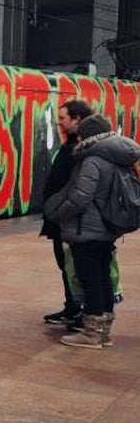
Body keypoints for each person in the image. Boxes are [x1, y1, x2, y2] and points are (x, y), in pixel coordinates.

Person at [44, 113, 140, 349]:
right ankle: (103, 331)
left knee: (90, 280)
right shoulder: (117, 157)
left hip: (87, 229)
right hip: (106, 228)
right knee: (103, 277)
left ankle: (91, 334)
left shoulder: (92, 160)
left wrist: (60, 213)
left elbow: (80, 197)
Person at [40, 99, 92, 326]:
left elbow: (78, 189)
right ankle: (73, 307)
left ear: (77, 119)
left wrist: (62, 213)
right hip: (61, 219)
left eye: (62, 118)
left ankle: (84, 312)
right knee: (67, 266)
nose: (59, 123)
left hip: (69, 220)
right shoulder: (73, 146)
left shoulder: (80, 150)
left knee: (77, 268)